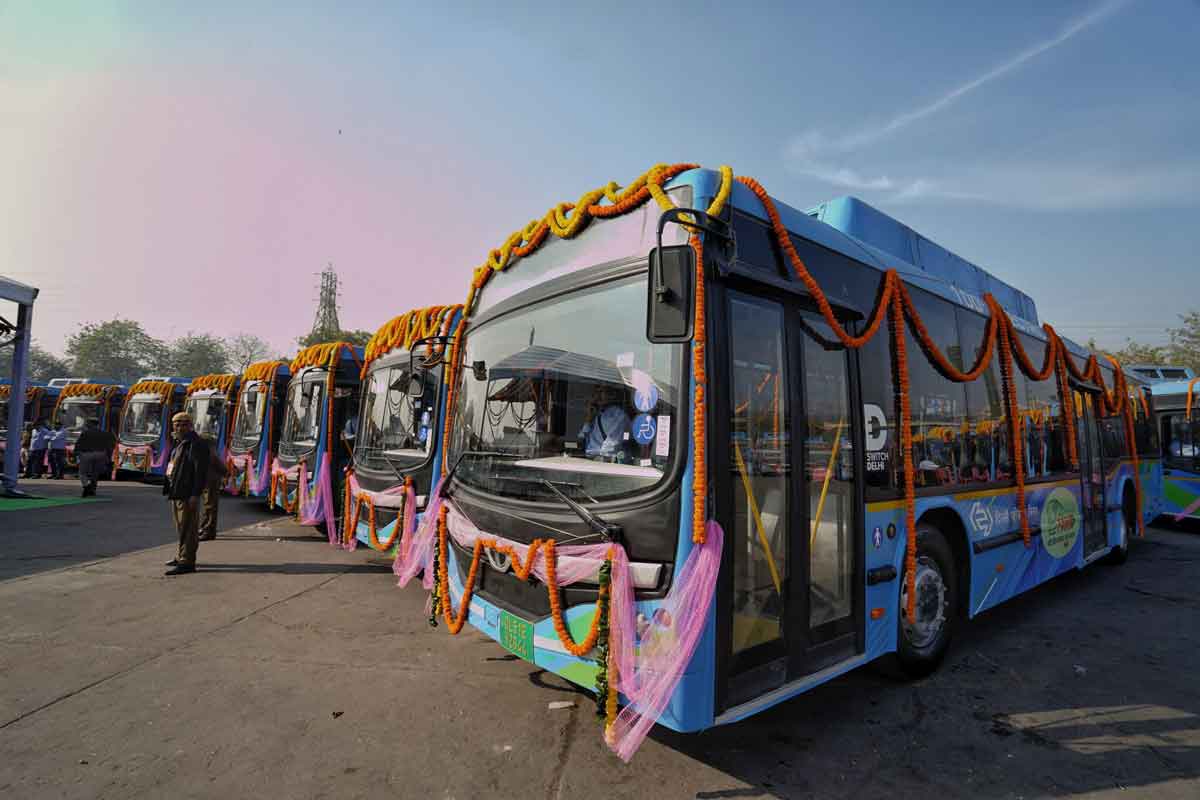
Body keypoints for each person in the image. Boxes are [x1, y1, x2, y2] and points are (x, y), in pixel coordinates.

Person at [162, 413, 211, 576]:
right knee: (181, 527)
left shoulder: (196, 443)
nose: (179, 427)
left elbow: (200, 472)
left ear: (190, 425)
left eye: (184, 424)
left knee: (189, 528)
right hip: (178, 492)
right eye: (176, 424)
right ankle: (182, 555)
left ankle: (187, 562)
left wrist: (195, 494)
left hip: (188, 493)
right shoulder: (181, 443)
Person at [576, 387, 631, 460]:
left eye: (601, 392)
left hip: (604, 458)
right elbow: (581, 436)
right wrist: (588, 419)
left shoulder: (617, 414)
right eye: (596, 392)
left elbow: (614, 441)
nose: (597, 396)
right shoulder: (597, 413)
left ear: (611, 395)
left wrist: (600, 455)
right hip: (593, 456)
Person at [75, 419, 116, 497]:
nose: (86, 425)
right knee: (95, 473)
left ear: (91, 424)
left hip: (87, 454)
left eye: (88, 423)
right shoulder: (104, 433)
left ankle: (86, 487)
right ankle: (93, 490)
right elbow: (110, 446)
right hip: (101, 454)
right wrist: (108, 457)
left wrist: (77, 453)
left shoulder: (85, 433)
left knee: (82, 473)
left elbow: (78, 444)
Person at [198, 438, 227, 541]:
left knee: (210, 507)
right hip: (207, 480)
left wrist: (225, 473)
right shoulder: (209, 452)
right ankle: (204, 527)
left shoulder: (210, 454)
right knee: (208, 506)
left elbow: (221, 467)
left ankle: (208, 531)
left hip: (211, 481)